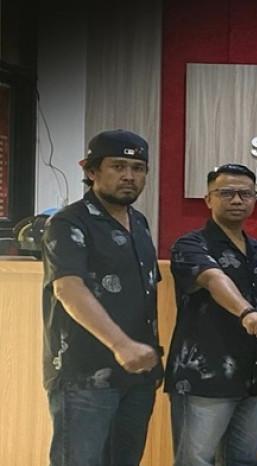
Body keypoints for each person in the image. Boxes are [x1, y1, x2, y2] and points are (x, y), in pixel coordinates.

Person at [41, 129, 162, 465]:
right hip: (85, 375)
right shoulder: (68, 222)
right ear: (92, 170)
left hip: (138, 374)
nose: (129, 176)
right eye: (118, 166)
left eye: (138, 168)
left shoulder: (139, 223)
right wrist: (122, 345)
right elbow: (68, 288)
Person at [164, 163, 257, 465]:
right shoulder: (190, 245)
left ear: (255, 199)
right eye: (226, 193)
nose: (237, 200)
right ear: (208, 199)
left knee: (245, 460)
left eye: (245, 194)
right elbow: (213, 279)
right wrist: (246, 312)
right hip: (205, 379)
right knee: (196, 460)